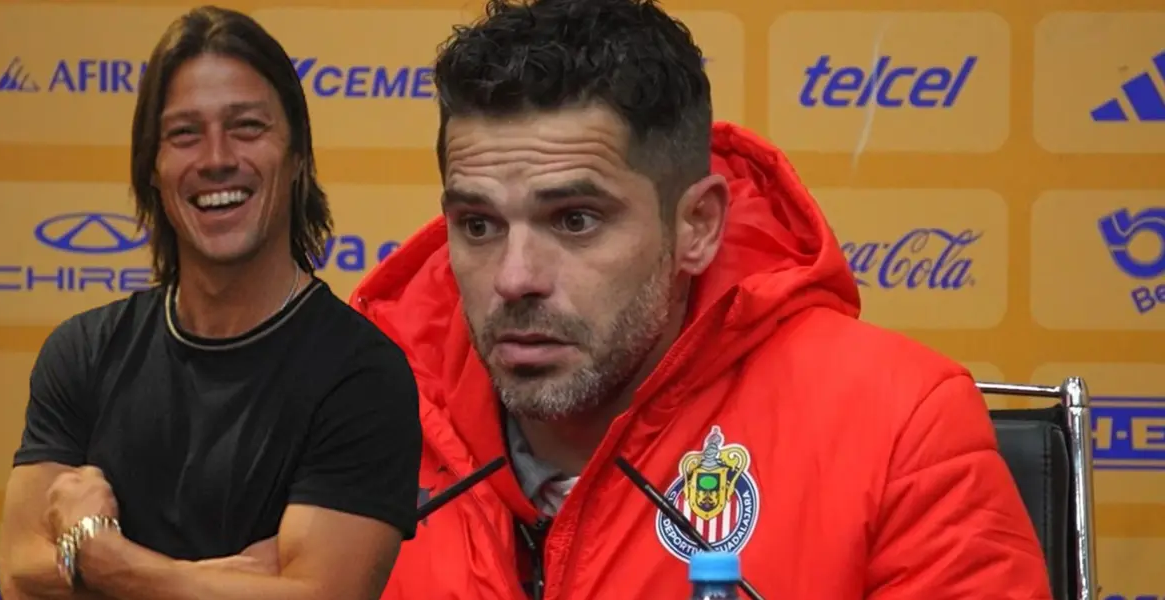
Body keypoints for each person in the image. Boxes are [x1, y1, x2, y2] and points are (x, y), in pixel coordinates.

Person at [348, 0, 1053, 598]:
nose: (515, 277)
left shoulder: (897, 426)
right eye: (478, 225)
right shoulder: (350, 420)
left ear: (697, 226)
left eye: (575, 220)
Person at [0, 6, 421, 600]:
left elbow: (324, 595)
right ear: (153, 167)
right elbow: (18, 573)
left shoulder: (363, 375)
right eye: (184, 133)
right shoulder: (83, 351)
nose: (217, 157)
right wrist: (210, 582)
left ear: (298, 156)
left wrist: (102, 556)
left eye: (247, 127)